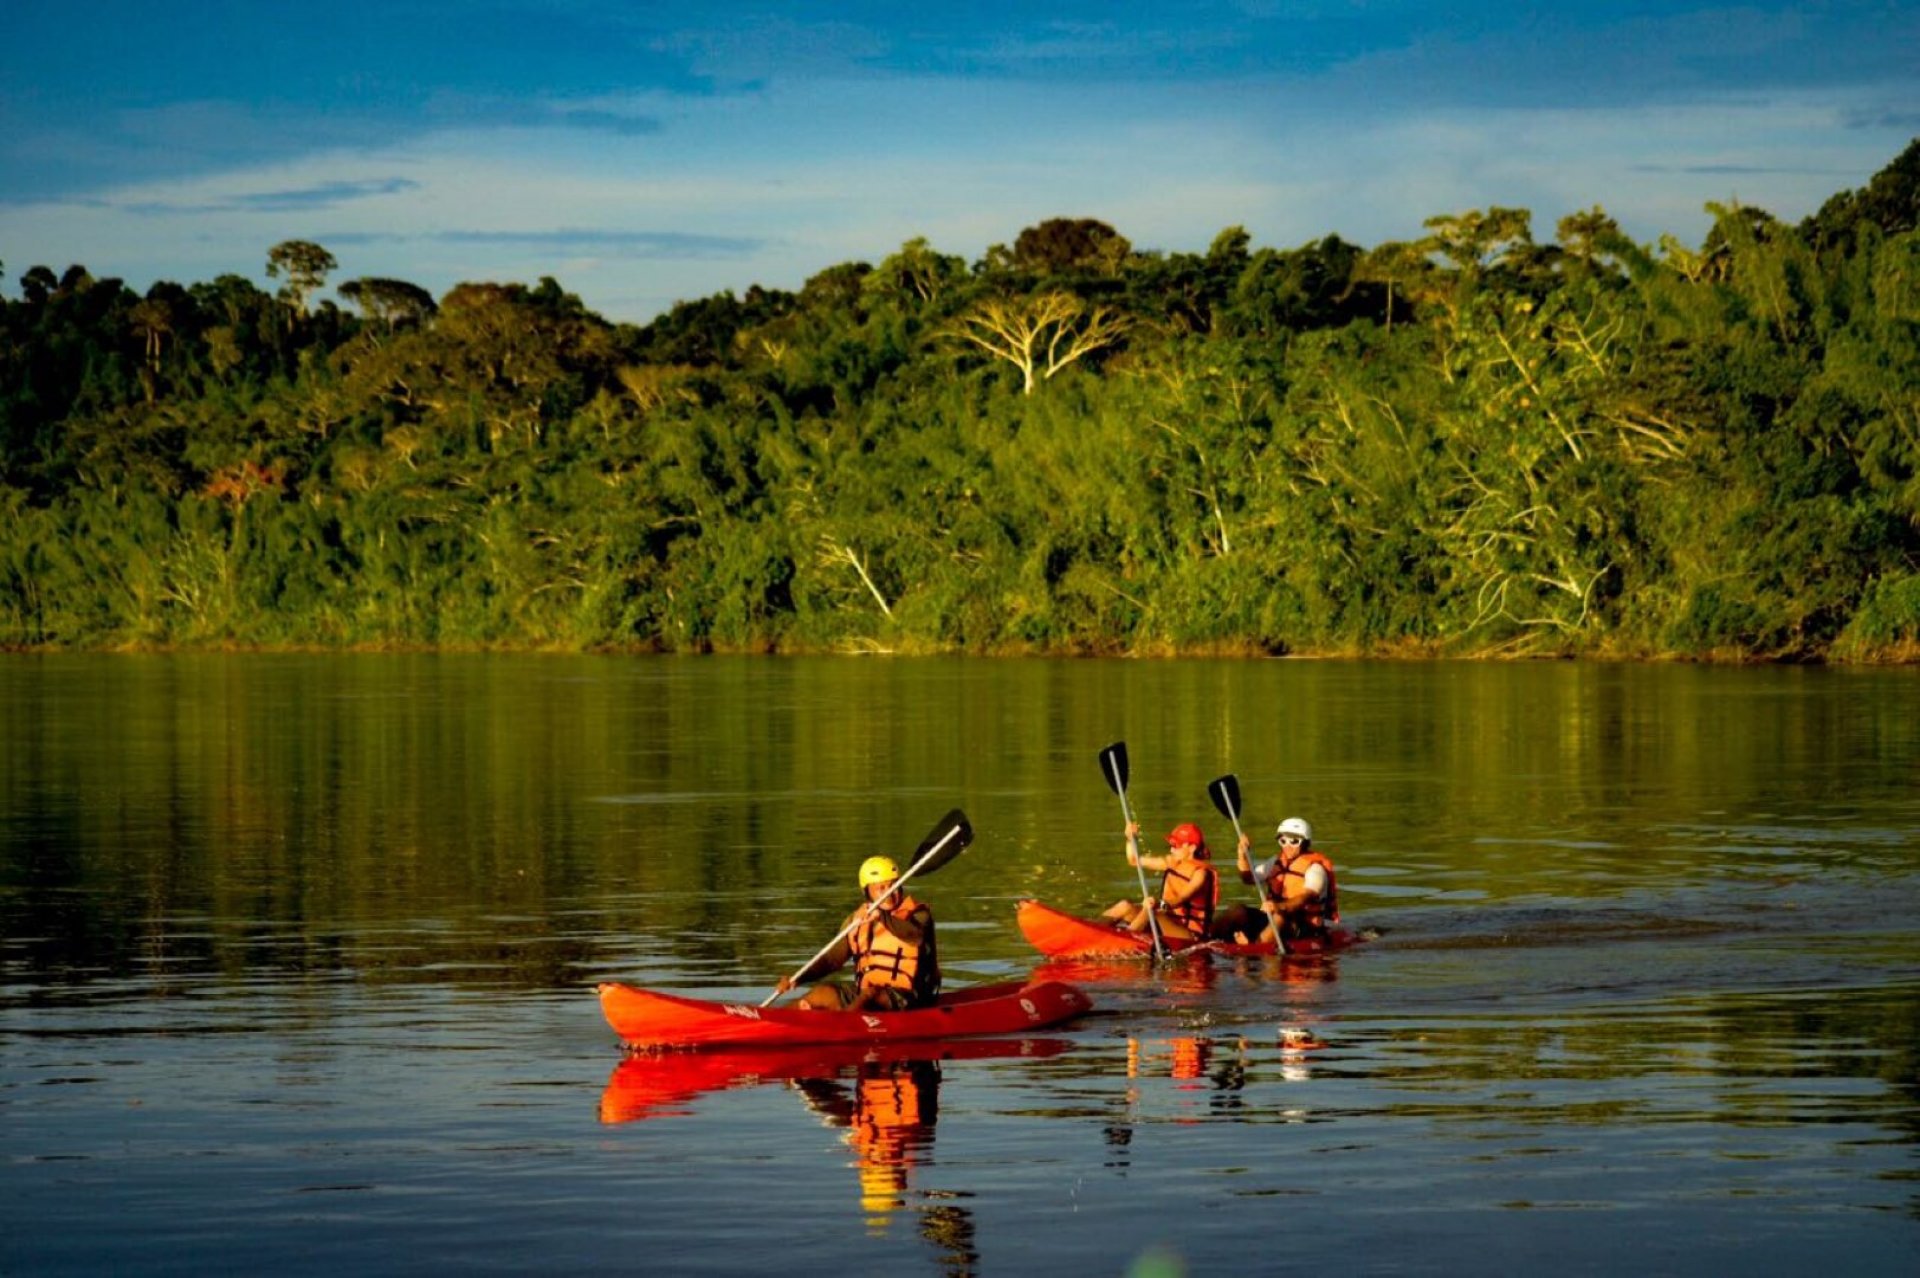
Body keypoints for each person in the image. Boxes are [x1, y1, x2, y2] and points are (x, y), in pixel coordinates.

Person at [775, 855, 941, 1011]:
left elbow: (914, 936)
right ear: (867, 892)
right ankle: (773, 1018)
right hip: (866, 994)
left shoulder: (919, 915)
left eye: (893, 886)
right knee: (823, 992)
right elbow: (831, 960)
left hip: (912, 996)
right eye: (881, 888)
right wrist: (798, 978)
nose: (889, 893)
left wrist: (882, 916)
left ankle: (842, 1025)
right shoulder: (856, 920)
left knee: (871, 993)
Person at [1227, 816, 1339, 946]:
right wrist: (1242, 856)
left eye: (1294, 841)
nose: (1288, 846)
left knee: (1280, 916)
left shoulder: (1315, 869)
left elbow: (1304, 897)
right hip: (1273, 917)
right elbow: (1248, 878)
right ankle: (1210, 937)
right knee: (1237, 910)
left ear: (1305, 842)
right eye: (1283, 841)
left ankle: (1257, 946)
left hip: (1305, 926)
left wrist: (1279, 906)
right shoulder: (1275, 862)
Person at [1100, 821, 1218, 942]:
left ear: (1192, 848)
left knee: (1152, 910)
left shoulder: (1201, 874)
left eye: (1176, 846)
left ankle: (1122, 941)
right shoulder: (1172, 862)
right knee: (1125, 906)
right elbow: (1134, 860)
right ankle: (1092, 930)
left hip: (1191, 935)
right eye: (1171, 845)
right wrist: (1130, 839)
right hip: (1166, 922)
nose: (1172, 850)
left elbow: (1179, 900)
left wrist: (1158, 904)